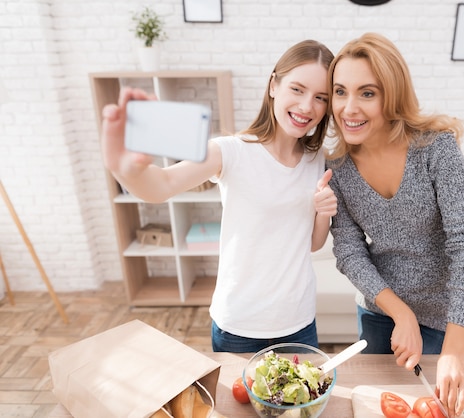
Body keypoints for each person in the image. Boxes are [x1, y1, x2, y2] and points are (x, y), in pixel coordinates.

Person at [100, 40, 337, 353]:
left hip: (298, 322)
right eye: (297, 89)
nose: (308, 106)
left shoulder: (318, 161)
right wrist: (123, 166)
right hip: (239, 324)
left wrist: (323, 212)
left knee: (300, 404)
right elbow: (161, 185)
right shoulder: (231, 151)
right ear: (273, 86)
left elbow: (311, 244)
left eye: (321, 97)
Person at [326, 33, 464, 417]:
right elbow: (349, 251)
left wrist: (454, 348)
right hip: (380, 312)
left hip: (443, 317)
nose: (348, 108)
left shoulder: (436, 149)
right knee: (378, 404)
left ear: (392, 95)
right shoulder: (337, 169)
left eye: (367, 93)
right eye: (339, 92)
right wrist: (399, 313)